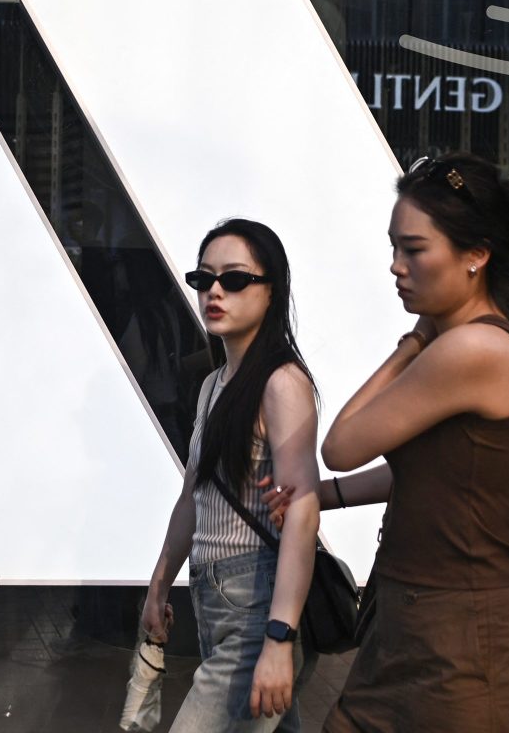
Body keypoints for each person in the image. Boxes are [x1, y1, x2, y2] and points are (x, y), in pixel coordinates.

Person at [313, 152, 509, 733]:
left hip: (463, 641)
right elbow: (436, 471)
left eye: (414, 249)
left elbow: (342, 443)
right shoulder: (467, 345)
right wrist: (325, 497)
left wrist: (410, 343)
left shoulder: (471, 350)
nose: (396, 266)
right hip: (414, 620)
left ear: (476, 255)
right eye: (394, 247)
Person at [141, 218, 320, 732]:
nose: (215, 291)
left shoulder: (282, 383)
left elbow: (301, 513)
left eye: (236, 279)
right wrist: (159, 584)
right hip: (214, 595)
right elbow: (191, 496)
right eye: (204, 279)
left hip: (257, 603)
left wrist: (279, 639)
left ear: (272, 291)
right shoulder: (215, 382)